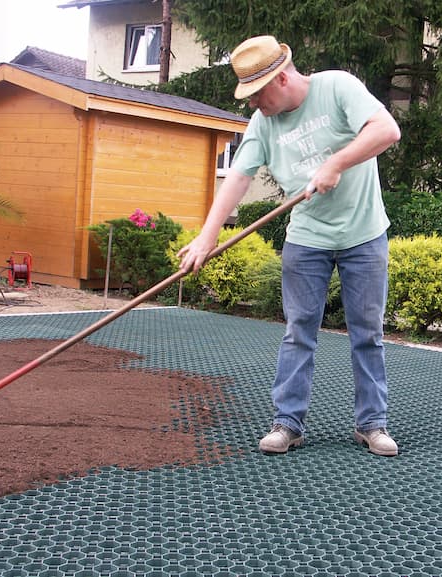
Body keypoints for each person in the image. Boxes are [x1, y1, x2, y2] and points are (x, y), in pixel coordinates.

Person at [176, 35, 401, 457]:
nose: (252, 103)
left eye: (256, 93)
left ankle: (372, 424)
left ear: (281, 79)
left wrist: (336, 162)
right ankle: (288, 423)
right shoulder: (263, 123)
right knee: (299, 333)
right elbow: (238, 177)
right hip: (306, 240)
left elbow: (387, 130)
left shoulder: (337, 87)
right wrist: (208, 236)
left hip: (364, 235)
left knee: (367, 334)